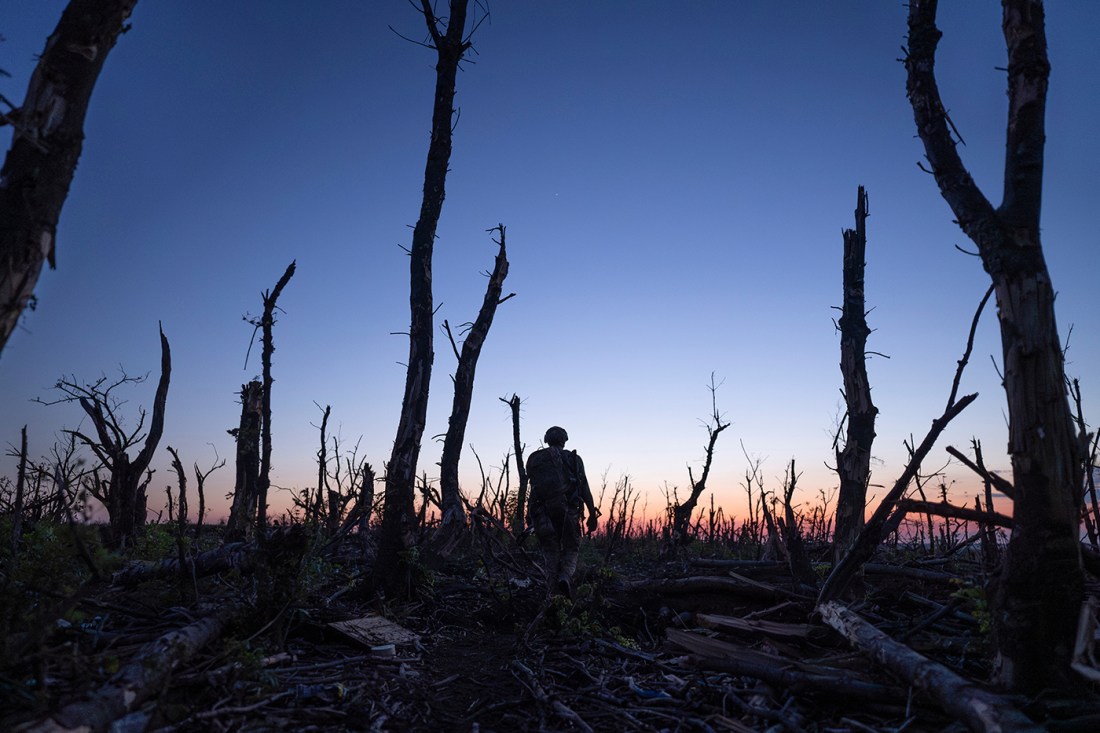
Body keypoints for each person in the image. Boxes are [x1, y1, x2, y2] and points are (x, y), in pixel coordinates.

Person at [525, 426, 599, 597]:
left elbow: (533, 490)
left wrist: (529, 515)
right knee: (572, 548)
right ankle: (565, 576)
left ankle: (551, 593)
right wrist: (592, 514)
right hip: (567, 511)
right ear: (564, 440)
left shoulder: (535, 459)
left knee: (550, 550)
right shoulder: (574, 459)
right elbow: (584, 487)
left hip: (541, 512)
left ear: (546, 439)